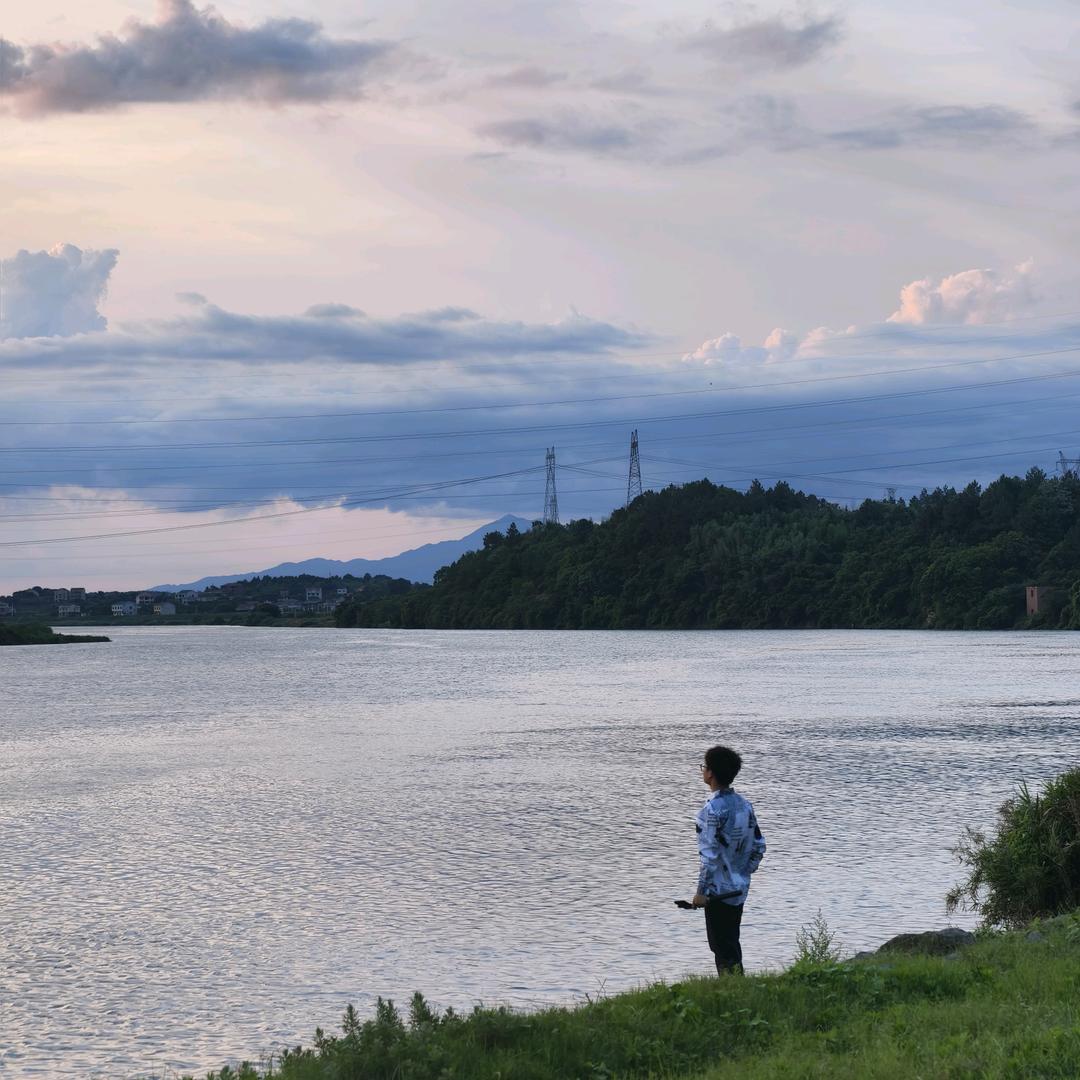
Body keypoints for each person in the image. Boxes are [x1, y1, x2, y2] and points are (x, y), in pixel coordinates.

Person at [691, 745, 766, 974]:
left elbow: (709, 857)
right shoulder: (744, 804)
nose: (703, 771)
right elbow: (759, 845)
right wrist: (743, 873)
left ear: (710, 773)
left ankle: (733, 991)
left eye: (704, 767)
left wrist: (701, 892)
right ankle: (737, 988)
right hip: (739, 889)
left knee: (721, 946)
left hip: (718, 893)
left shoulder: (710, 810)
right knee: (732, 941)